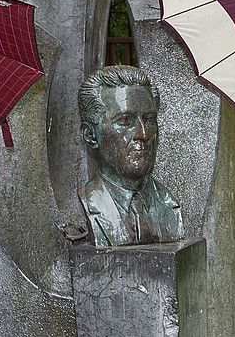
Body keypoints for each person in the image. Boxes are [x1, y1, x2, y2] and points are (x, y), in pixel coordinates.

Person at [77, 65, 184, 246]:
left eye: (149, 120)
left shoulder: (168, 203)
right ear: (90, 135)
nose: (143, 133)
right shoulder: (88, 203)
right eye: (125, 121)